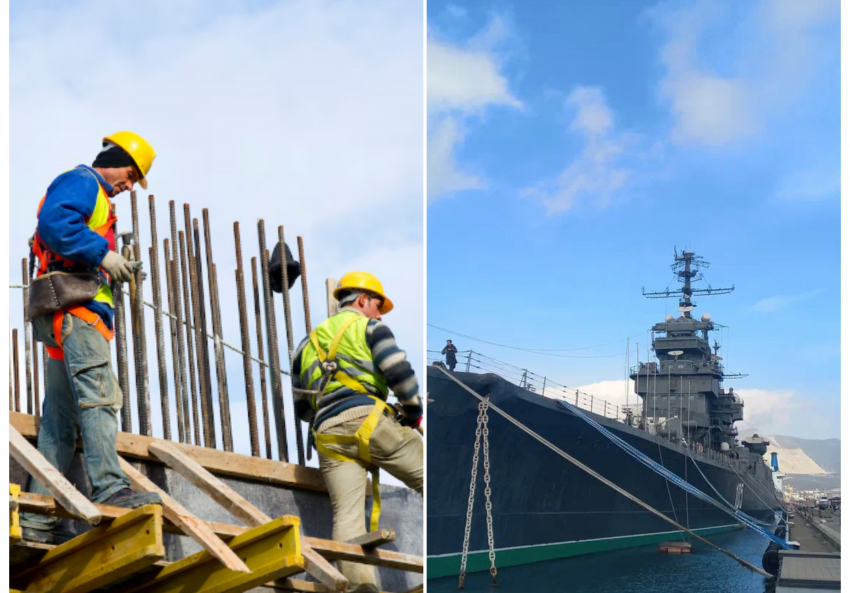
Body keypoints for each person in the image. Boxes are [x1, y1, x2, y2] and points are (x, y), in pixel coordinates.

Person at [20, 132, 162, 544]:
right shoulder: (84, 181)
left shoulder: (97, 199)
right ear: (113, 159)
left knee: (60, 423)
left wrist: (111, 264)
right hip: (77, 314)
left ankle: (38, 517)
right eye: (131, 174)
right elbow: (55, 225)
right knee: (100, 397)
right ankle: (110, 488)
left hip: (66, 315)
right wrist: (103, 255)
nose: (129, 185)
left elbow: (65, 237)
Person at [291, 271, 422, 593]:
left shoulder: (305, 345)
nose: (379, 312)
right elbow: (399, 371)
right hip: (369, 418)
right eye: (378, 305)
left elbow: (302, 409)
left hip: (327, 436)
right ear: (363, 300)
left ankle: (360, 589)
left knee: (347, 516)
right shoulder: (370, 327)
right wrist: (414, 410)